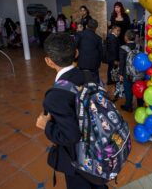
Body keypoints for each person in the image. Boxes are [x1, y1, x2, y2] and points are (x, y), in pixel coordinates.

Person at [36, 34, 107, 189]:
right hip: (98, 147)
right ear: (76, 53)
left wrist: (45, 126)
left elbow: (70, 136)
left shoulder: (55, 97)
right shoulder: (89, 75)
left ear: (49, 61)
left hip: (78, 160)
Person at [119, 30, 144, 112]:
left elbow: (122, 63)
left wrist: (121, 74)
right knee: (139, 89)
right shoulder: (139, 47)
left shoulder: (123, 48)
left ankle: (128, 106)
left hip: (127, 73)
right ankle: (140, 106)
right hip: (139, 73)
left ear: (126, 37)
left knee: (128, 90)